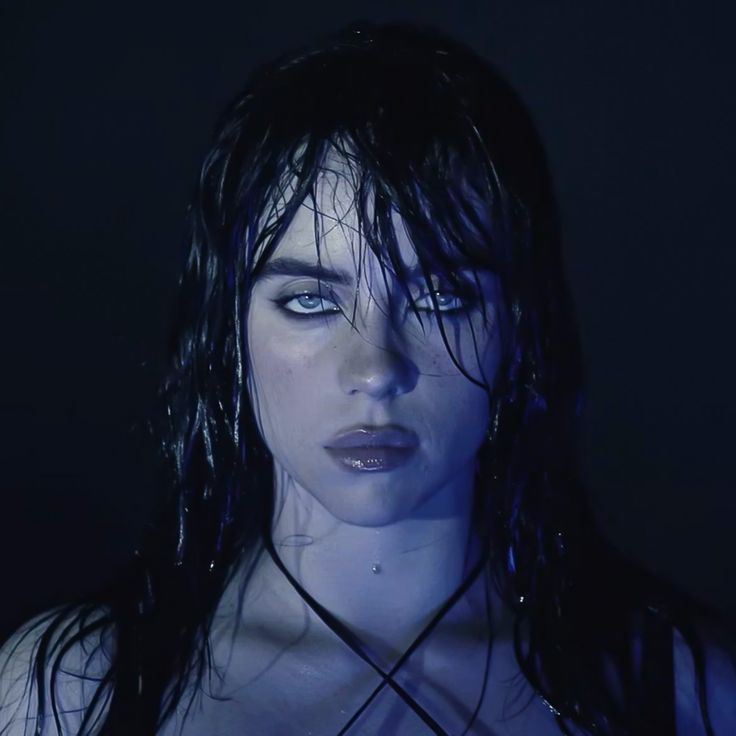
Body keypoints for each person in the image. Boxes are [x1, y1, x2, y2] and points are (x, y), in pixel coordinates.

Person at [1, 20, 734, 736]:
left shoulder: (684, 693)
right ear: (230, 332)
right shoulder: (68, 693)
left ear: (518, 328)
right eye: (311, 301)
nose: (376, 368)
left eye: (441, 297)